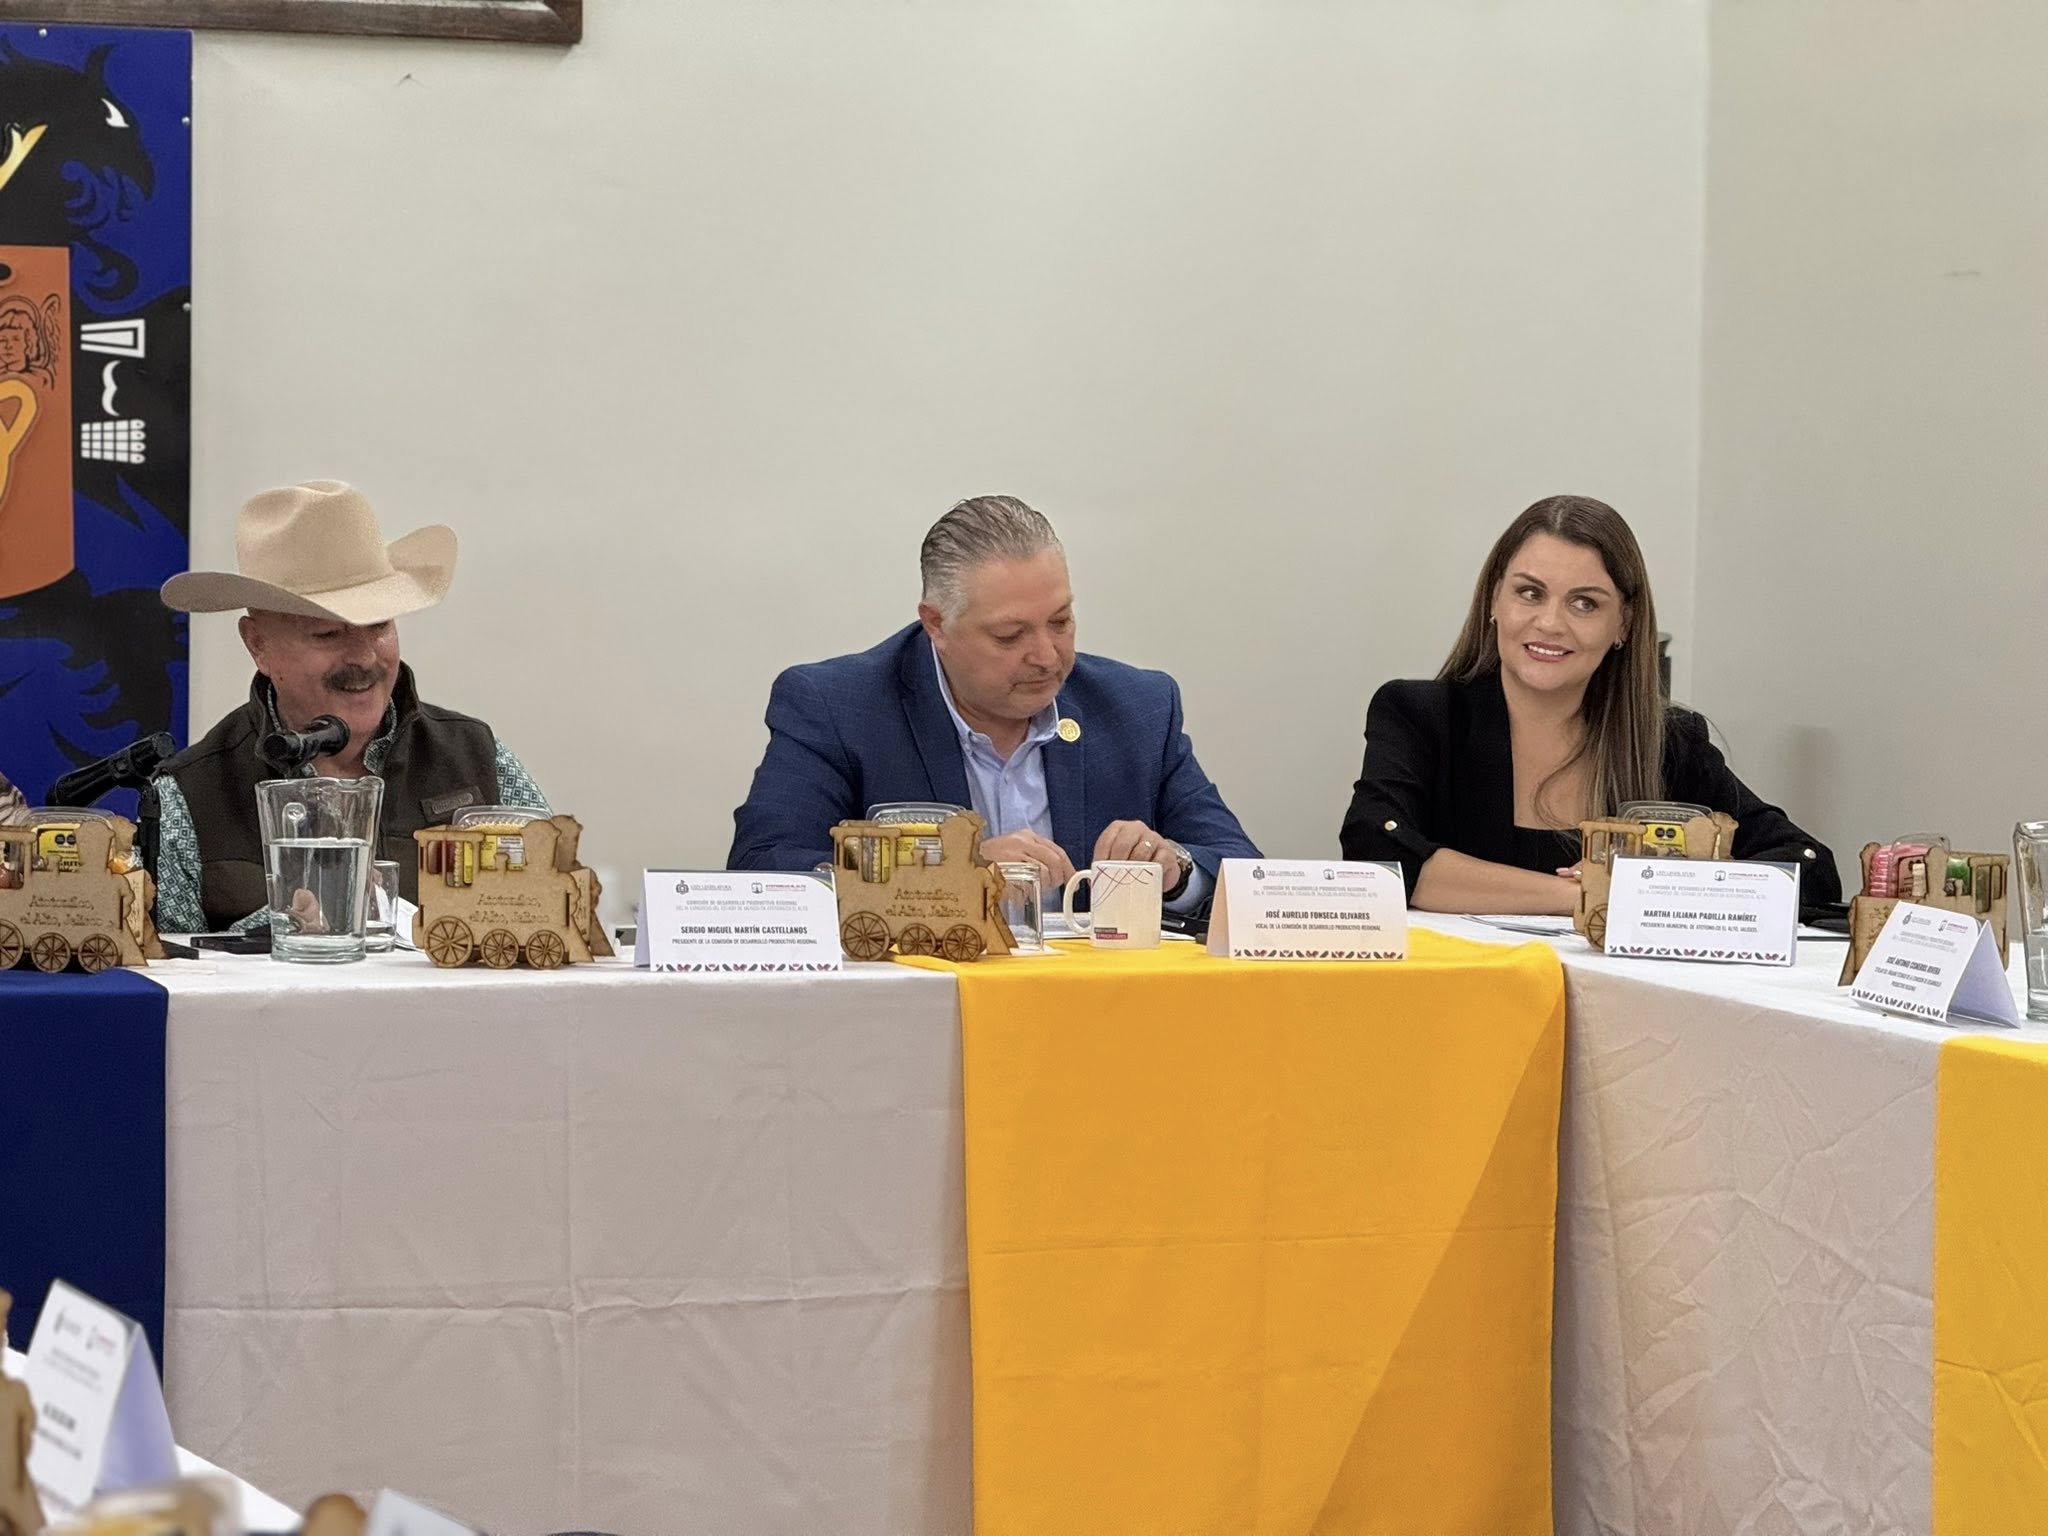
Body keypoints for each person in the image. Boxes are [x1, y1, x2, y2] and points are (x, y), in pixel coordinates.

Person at [729, 495, 1259, 909]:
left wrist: (1176, 870)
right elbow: (764, 871)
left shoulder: (1138, 709)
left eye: (1061, 621)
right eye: (1010, 635)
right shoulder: (837, 707)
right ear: (936, 624)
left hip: (1097, 1004)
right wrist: (948, 868)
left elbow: (1248, 874)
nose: (1046, 656)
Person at [1340, 494, 1840, 914]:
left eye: (1585, 603)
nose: (1550, 623)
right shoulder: (1421, 715)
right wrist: (1590, 896)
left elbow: (1807, 866)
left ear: (1623, 624)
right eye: (1530, 593)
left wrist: (1674, 886)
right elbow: (1377, 856)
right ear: (1494, 600)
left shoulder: (1666, 742)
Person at [153, 481, 549, 933]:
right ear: (257, 644)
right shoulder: (190, 795)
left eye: (378, 625)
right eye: (328, 634)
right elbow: (172, 966)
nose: (363, 657)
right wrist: (284, 923)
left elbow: (558, 916)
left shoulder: (478, 757)